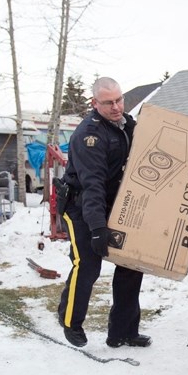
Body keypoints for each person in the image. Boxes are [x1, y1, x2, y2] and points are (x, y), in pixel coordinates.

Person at [56, 77, 150, 349]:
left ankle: (122, 332)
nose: (116, 106)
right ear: (94, 103)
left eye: (119, 99)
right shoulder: (89, 136)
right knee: (87, 265)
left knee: (131, 266)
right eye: (108, 102)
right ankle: (70, 321)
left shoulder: (124, 125)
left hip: (114, 204)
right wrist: (98, 229)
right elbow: (92, 184)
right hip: (81, 205)